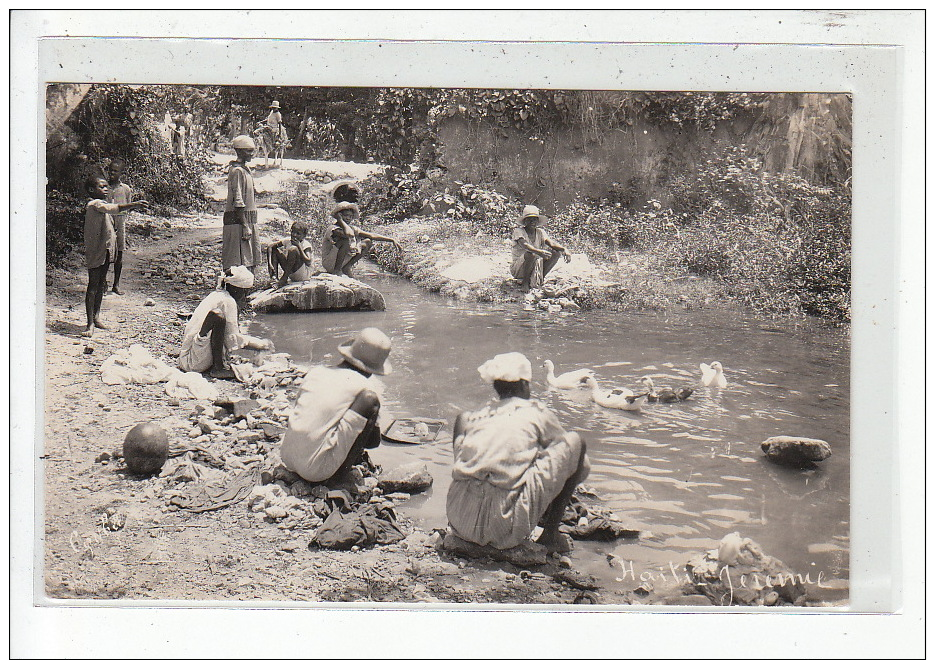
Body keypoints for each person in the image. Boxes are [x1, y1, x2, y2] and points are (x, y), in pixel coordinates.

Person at [446, 352, 590, 554]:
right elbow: (581, 466)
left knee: (463, 422)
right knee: (577, 442)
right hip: (505, 529)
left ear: (496, 386)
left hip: (460, 519)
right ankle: (550, 535)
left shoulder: (477, 414)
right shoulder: (536, 411)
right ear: (524, 385)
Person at [280, 327, 392, 487]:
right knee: (370, 401)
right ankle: (338, 477)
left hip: (287, 457)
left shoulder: (316, 372)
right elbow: (373, 442)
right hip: (315, 472)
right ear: (373, 369)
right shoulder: (366, 388)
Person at [178, 265, 272, 379]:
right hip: (195, 363)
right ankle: (218, 368)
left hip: (185, 356)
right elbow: (231, 340)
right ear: (238, 289)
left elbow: (230, 337)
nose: (246, 296)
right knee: (217, 317)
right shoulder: (229, 302)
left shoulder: (217, 294)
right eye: (246, 292)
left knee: (218, 317)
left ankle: (218, 365)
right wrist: (259, 345)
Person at [83, 174, 148, 337]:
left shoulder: (103, 205)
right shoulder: (94, 204)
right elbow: (112, 209)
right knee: (92, 286)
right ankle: (89, 323)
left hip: (105, 251)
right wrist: (132, 205)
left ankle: (96, 317)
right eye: (101, 187)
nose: (105, 189)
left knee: (101, 285)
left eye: (106, 187)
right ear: (92, 190)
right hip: (96, 251)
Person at [321, 202, 401, 277]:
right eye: (346, 216)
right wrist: (341, 221)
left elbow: (372, 235)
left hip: (342, 261)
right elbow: (349, 235)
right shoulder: (333, 229)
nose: (348, 218)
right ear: (340, 215)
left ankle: (347, 267)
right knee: (345, 241)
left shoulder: (352, 228)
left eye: (350, 216)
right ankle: (337, 271)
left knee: (367, 242)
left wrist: (391, 240)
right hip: (330, 262)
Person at [222, 135, 261, 272]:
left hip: (246, 221)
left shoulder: (245, 170)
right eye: (248, 151)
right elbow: (238, 201)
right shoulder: (237, 171)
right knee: (237, 263)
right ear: (239, 152)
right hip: (238, 223)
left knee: (248, 261)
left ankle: (245, 290)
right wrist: (245, 226)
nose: (252, 154)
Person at [510, 204, 570, 292]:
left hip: (534, 266)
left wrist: (564, 249)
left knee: (556, 253)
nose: (532, 221)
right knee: (531, 254)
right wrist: (539, 252)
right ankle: (525, 283)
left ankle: (540, 278)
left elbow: (552, 243)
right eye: (529, 219)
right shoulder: (518, 231)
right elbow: (525, 245)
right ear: (525, 221)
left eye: (534, 219)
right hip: (519, 268)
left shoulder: (540, 232)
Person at [105, 157, 132, 295]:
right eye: (110, 170)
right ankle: (103, 283)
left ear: (121, 173)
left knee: (119, 252)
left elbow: (128, 206)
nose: (112, 173)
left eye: (115, 171)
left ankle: (116, 284)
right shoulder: (104, 187)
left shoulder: (125, 189)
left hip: (120, 222)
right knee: (105, 252)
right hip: (106, 221)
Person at [268, 220, 314, 288]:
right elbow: (270, 247)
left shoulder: (306, 245)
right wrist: (270, 263)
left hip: (303, 274)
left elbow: (308, 261)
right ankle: (274, 279)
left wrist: (299, 246)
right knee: (275, 250)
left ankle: (284, 279)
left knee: (293, 249)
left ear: (304, 236)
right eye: (293, 232)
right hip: (291, 272)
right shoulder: (287, 241)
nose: (294, 235)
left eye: (298, 233)